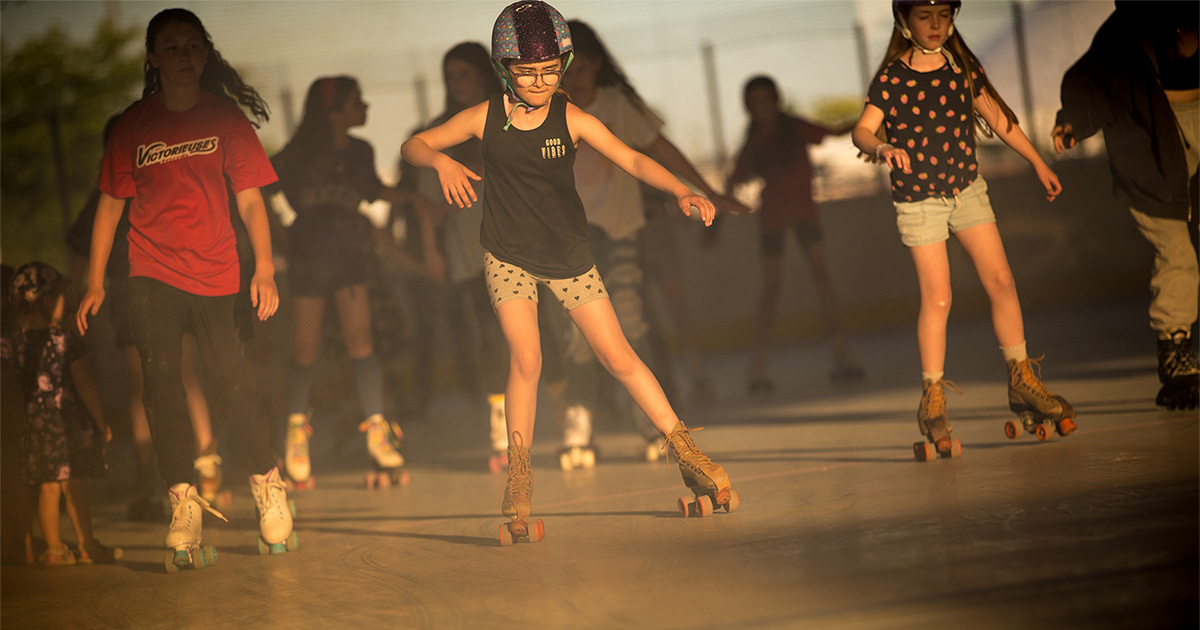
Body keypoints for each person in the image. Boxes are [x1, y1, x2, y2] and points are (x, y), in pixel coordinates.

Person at [401, 0, 739, 542]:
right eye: (527, 72)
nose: (540, 82)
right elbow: (413, 145)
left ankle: (687, 452)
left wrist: (681, 189)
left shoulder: (573, 118)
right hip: (507, 255)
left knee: (617, 355)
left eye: (550, 69)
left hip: (569, 256)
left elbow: (632, 158)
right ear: (504, 68)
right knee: (527, 358)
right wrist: (441, 160)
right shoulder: (483, 117)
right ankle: (519, 478)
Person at [76, 8, 295, 569]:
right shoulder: (133, 125)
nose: (183, 56)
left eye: (193, 46)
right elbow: (110, 205)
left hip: (218, 274)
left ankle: (267, 484)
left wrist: (263, 268)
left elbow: (251, 199)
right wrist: (95, 281)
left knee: (232, 383)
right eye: (171, 47)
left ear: (205, 54)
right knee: (161, 384)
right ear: (152, 57)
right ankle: (183, 501)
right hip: (151, 272)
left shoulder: (224, 118)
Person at [851, 0, 1077, 460]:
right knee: (938, 298)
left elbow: (999, 119)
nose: (936, 25)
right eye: (924, 16)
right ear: (905, 21)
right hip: (919, 200)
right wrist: (882, 148)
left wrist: (1037, 162)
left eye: (944, 15)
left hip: (967, 190)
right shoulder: (892, 78)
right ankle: (932, 398)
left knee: (1002, 281)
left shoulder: (961, 69)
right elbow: (862, 131)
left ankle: (1022, 379)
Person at [556, 19, 750, 467]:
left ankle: (647, 419)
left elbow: (660, 149)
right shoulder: (553, 112)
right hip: (571, 241)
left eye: (581, 70)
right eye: (567, 72)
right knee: (578, 334)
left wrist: (705, 189)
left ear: (596, 66)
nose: (574, 81)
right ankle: (578, 423)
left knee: (630, 324)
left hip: (622, 232)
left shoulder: (617, 106)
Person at [270, 76, 435, 489]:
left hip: (349, 252)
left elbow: (376, 191)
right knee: (305, 349)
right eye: (356, 101)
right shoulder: (296, 153)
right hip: (309, 255)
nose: (365, 107)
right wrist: (278, 241)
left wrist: (414, 199)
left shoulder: (361, 151)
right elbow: (255, 191)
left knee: (361, 343)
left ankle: (377, 433)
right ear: (333, 111)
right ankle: (295, 437)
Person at [66, 116, 223, 520]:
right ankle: (157, 476)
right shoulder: (107, 196)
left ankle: (200, 469)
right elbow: (79, 259)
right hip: (135, 295)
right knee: (152, 382)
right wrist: (71, 303)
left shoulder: (154, 184)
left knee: (174, 377)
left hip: (167, 288)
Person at [1051, 0, 1198, 410]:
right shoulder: (1125, 37)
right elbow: (1087, 82)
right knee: (1178, 256)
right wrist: (1073, 120)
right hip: (1153, 166)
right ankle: (1175, 355)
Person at [727, 75, 863, 394]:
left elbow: (833, 131)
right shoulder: (753, 140)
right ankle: (759, 362)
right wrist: (716, 221)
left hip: (804, 212)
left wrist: (874, 117)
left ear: (776, 100)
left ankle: (841, 350)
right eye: (754, 102)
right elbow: (733, 180)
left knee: (821, 275)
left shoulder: (793, 127)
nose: (761, 107)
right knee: (772, 285)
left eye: (766, 99)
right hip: (773, 217)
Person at [3, 263, 122, 566]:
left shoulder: (11, 343)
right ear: (44, 300)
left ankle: (54, 549)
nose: (65, 302)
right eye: (59, 296)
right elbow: (84, 383)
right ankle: (87, 545)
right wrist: (101, 421)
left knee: (48, 489)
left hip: (33, 429)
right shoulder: (62, 339)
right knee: (73, 487)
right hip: (64, 428)